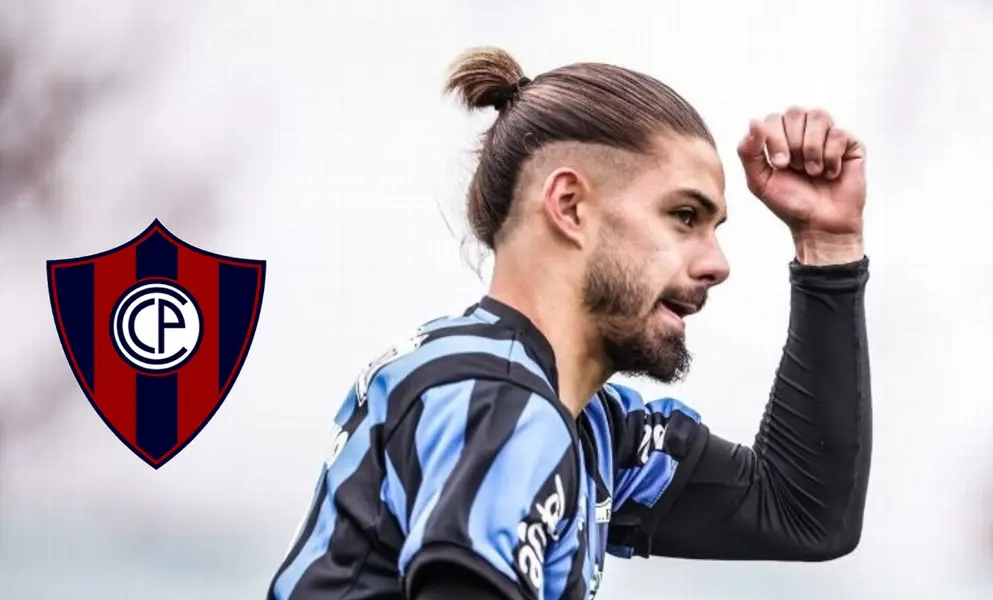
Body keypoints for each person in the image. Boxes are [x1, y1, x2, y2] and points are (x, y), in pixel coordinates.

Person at [268, 46, 873, 600]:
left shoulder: (578, 422)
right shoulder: (500, 403)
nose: (717, 264)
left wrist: (828, 245)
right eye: (684, 216)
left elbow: (802, 511)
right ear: (570, 207)